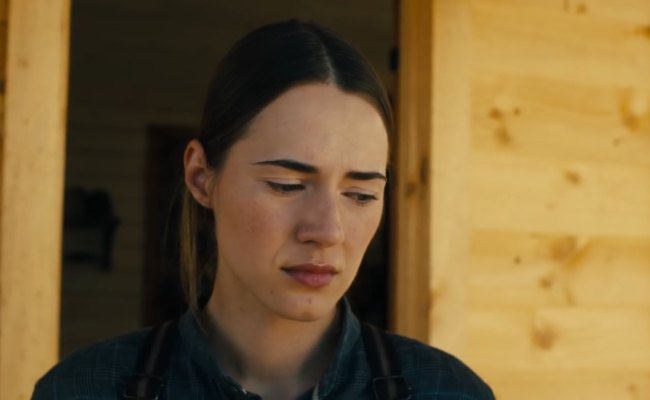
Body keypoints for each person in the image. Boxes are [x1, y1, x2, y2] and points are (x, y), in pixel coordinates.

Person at [33, 20, 495, 400]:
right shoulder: (83, 389)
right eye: (287, 185)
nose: (327, 230)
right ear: (200, 176)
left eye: (360, 194)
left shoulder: (448, 391)